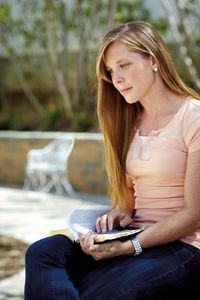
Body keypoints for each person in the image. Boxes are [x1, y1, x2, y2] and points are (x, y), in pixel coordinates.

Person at [25, 21, 200, 300]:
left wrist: (130, 246)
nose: (116, 79)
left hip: (181, 246)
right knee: (42, 252)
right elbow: (131, 197)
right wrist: (121, 212)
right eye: (110, 71)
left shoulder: (193, 118)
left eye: (124, 65)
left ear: (153, 60)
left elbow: (194, 214)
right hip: (133, 232)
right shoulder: (129, 121)